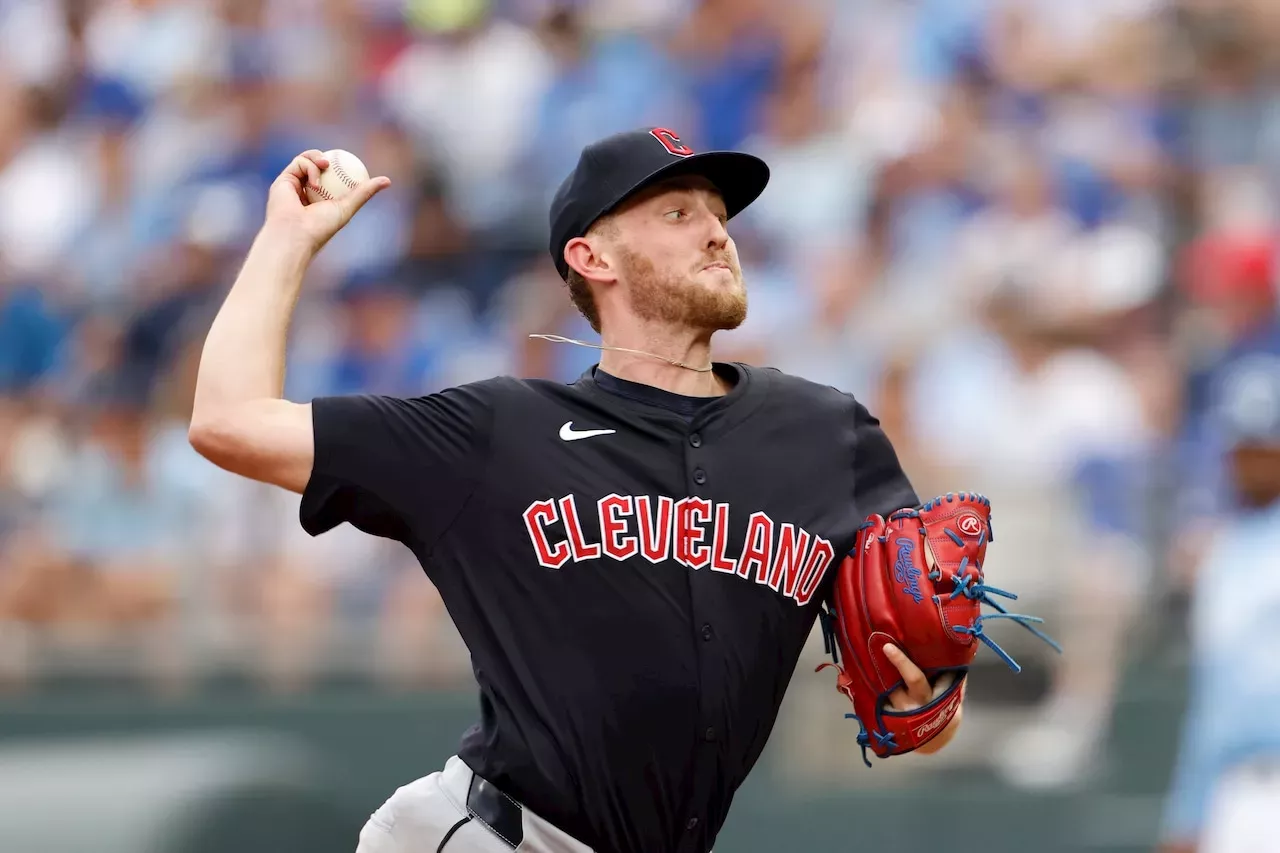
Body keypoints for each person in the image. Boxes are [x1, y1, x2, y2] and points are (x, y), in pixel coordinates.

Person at [188, 127, 965, 853]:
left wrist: (924, 706)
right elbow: (228, 421)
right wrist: (285, 243)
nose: (717, 231)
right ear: (593, 258)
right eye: (677, 212)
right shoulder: (499, 432)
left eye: (719, 215)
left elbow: (918, 679)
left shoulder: (828, 436)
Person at [1158, 349, 1280, 853]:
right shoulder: (1222, 553)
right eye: (1242, 445)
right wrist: (1187, 814)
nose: (1249, 461)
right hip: (1235, 796)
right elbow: (1214, 703)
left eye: (1264, 446)